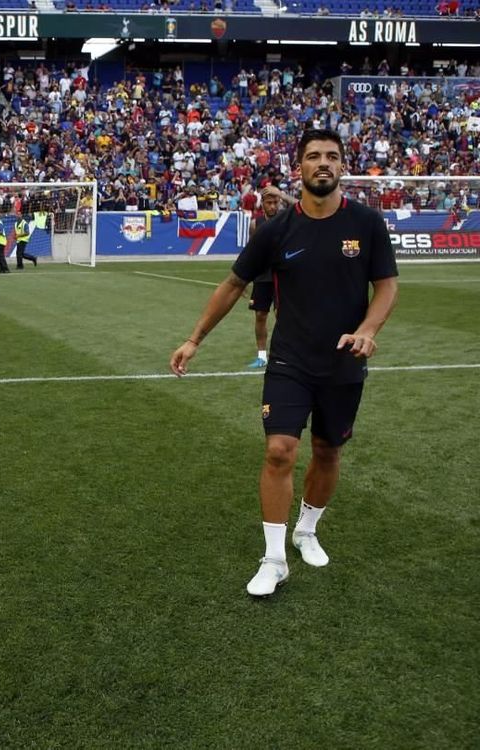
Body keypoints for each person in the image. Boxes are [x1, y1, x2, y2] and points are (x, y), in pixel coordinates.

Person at [169, 129, 398, 597]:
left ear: (342, 166)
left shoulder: (367, 223)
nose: (323, 163)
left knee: (328, 450)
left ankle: (307, 530)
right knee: (278, 451)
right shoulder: (276, 230)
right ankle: (274, 559)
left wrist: (368, 330)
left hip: (343, 364)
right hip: (289, 360)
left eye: (332, 156)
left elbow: (387, 286)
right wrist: (194, 339)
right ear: (300, 167)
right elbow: (233, 284)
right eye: (313, 156)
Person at [245, 185, 296, 368]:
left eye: (276, 202)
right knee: (260, 315)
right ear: (263, 205)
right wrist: (244, 278)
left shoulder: (287, 219)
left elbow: (303, 206)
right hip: (262, 275)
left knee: (283, 315)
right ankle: (261, 355)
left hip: (283, 274)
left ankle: (286, 353)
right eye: (269, 203)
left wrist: (281, 194)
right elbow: (250, 253)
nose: (273, 206)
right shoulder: (255, 224)